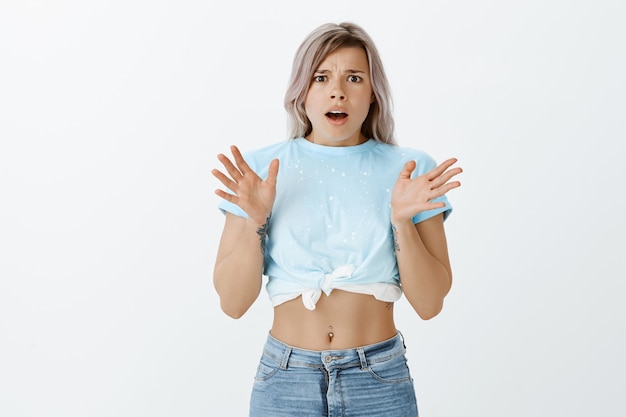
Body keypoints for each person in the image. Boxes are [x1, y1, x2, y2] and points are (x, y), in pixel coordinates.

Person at [212, 21, 462, 417]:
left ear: (374, 93)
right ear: (301, 92)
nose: (338, 91)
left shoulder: (410, 171)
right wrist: (255, 220)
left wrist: (400, 220)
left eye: (354, 78)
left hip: (378, 379)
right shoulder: (261, 171)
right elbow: (232, 302)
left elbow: (430, 303)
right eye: (321, 77)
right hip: (286, 379)